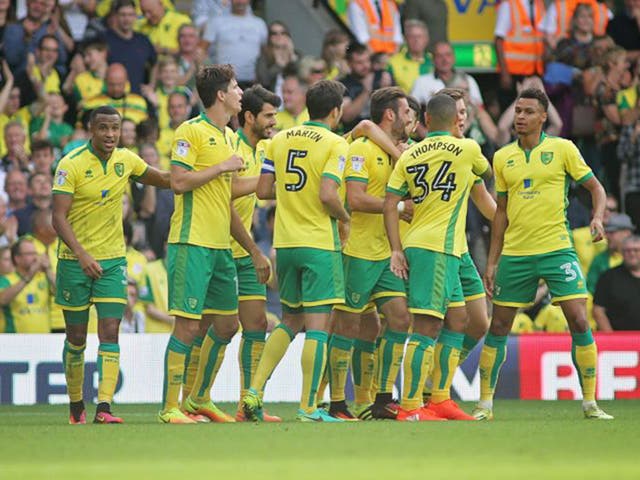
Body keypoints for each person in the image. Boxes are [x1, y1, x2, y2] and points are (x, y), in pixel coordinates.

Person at [475, 88, 613, 421]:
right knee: (499, 326)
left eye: (527, 112)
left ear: (542, 117)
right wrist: (492, 262)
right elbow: (501, 214)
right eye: (517, 111)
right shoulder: (503, 156)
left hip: (557, 249)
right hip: (516, 253)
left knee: (579, 319)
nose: (520, 117)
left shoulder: (563, 148)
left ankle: (590, 402)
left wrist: (596, 217)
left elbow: (595, 187)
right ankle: (484, 405)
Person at [158, 64, 270, 424]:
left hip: (220, 246)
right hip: (191, 241)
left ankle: (198, 399)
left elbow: (228, 191)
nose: (241, 93)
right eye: (236, 87)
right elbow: (178, 181)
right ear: (221, 95)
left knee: (227, 325)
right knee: (188, 327)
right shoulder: (190, 131)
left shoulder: (226, 136)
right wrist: (221, 168)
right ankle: (169, 407)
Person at [52, 105, 170, 425]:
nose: (110, 134)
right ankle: (76, 405)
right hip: (74, 261)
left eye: (115, 129)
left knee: (110, 331)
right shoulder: (70, 164)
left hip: (113, 259)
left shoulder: (126, 159)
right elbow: (58, 217)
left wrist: (203, 175)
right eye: (103, 128)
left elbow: (162, 178)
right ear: (92, 129)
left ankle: (104, 406)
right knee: (76, 337)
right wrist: (81, 254)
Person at [242, 80, 350, 423]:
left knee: (289, 320)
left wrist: (291, 196)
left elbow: (262, 190)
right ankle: (307, 407)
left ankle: (254, 391)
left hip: (284, 244)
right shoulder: (336, 144)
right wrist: (345, 221)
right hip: (319, 243)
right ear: (335, 111)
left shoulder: (279, 140)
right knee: (318, 326)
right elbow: (329, 195)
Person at [384, 94, 492, 421]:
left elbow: (391, 204)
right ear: (455, 119)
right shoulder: (469, 149)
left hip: (427, 244)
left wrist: (396, 249)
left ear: (426, 121)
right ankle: (411, 406)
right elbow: (487, 175)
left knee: (459, 320)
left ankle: (440, 398)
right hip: (437, 248)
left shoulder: (409, 155)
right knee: (427, 327)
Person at [328, 87, 416, 421]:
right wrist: (399, 206)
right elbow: (356, 199)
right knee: (347, 325)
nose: (410, 118)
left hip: (386, 254)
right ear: (390, 115)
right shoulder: (361, 150)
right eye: (406, 112)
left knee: (399, 319)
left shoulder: (400, 153)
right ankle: (336, 403)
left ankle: (381, 398)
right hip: (358, 251)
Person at [421, 88, 497, 413]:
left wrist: (516, 227)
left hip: (460, 248)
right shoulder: (433, 152)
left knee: (478, 321)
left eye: (466, 113)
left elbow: (485, 203)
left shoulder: (464, 156)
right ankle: (429, 392)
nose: (463, 118)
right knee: (439, 322)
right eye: (460, 113)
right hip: (433, 247)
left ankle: (438, 380)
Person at [230, 85, 281, 422]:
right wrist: (265, 183)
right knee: (210, 326)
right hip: (221, 247)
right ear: (249, 117)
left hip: (244, 248)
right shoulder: (231, 145)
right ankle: (191, 400)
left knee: (257, 324)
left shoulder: (264, 147)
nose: (274, 122)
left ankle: (248, 404)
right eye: (268, 116)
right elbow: (228, 193)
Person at [494, 0, 546, 111]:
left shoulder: (539, 5)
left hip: (534, 71)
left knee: (533, 111)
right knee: (512, 113)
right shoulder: (509, 5)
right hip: (513, 73)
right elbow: (498, 40)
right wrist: (504, 73)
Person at [203, 0, 267, 88]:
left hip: (253, 82)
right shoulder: (216, 21)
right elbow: (201, 50)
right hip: (224, 82)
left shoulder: (259, 24)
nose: (240, 1)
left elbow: (266, 53)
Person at [0, 237, 53, 333]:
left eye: (35, 253)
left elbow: (62, 294)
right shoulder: (6, 279)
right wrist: (29, 276)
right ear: (17, 258)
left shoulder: (43, 277)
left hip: (44, 340)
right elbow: (2, 300)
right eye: (29, 254)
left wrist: (48, 270)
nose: (35, 257)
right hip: (15, 340)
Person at [411, 41, 483, 111]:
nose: (444, 59)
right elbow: (412, 108)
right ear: (433, 59)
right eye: (439, 56)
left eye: (448, 55)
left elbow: (480, 108)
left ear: (454, 57)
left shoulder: (468, 80)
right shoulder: (422, 82)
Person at [105, 0, 157, 94]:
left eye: (130, 15)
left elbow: (155, 63)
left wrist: (151, 86)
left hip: (137, 100)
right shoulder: (105, 39)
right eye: (123, 15)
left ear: (135, 17)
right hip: (112, 99)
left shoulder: (143, 40)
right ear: (116, 16)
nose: (127, 19)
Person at [341, 42, 393, 132]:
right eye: (359, 62)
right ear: (349, 63)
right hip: (355, 133)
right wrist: (366, 91)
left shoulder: (382, 76)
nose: (365, 65)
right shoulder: (343, 85)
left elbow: (396, 108)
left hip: (382, 131)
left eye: (367, 60)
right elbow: (346, 117)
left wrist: (386, 90)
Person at [593, 235, 640, 330]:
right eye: (627, 251)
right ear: (622, 253)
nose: (632, 253)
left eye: (636, 250)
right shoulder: (608, 277)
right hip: (620, 339)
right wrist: (611, 339)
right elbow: (598, 311)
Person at [83, 64, 149, 125]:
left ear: (126, 82)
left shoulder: (139, 102)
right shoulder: (92, 103)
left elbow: (144, 130)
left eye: (119, 84)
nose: (116, 89)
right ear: (105, 81)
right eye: (112, 84)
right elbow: (81, 131)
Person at [586, 213, 634, 294]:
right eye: (606, 232)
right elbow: (591, 290)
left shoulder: (636, 258)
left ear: (627, 233)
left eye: (612, 232)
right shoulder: (599, 260)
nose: (606, 236)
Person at [387, 20, 432, 94]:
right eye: (412, 36)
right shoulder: (392, 62)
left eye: (419, 36)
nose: (416, 40)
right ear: (405, 39)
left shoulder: (434, 61)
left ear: (426, 39)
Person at [14, 172, 52, 236]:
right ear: (29, 190)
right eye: (38, 181)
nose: (43, 184)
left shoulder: (62, 211)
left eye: (46, 181)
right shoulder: (19, 216)